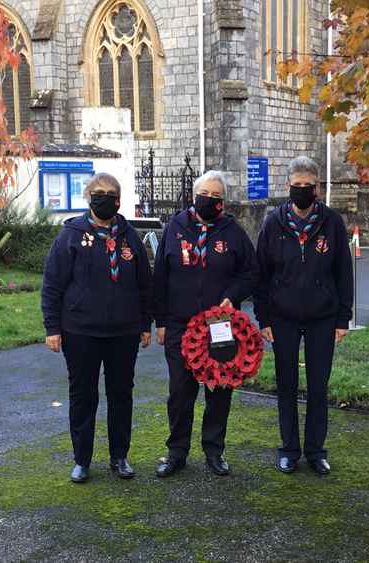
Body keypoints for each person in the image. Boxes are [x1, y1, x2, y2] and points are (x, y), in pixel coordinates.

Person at [41, 173, 152, 483]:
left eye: (110, 193)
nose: (104, 197)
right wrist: (53, 327)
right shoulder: (71, 235)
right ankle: (82, 460)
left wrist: (145, 324)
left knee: (121, 396)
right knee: (83, 396)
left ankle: (120, 456)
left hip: (123, 333)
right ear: (88, 196)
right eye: (98, 192)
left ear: (118, 199)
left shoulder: (130, 237)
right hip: (80, 332)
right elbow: (52, 284)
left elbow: (145, 285)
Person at [153, 170, 256, 478]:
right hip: (180, 325)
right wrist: (160, 321)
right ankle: (176, 452)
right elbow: (161, 277)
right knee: (180, 391)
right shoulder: (175, 227)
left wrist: (232, 295)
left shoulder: (233, 232)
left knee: (219, 389)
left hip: (220, 326)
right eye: (205, 195)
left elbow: (251, 273)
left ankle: (214, 450)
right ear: (193, 196)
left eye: (217, 197)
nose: (210, 201)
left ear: (223, 202)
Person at [254, 156, 353, 476]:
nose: (301, 191)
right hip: (282, 317)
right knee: (286, 384)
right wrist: (264, 318)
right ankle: (288, 450)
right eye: (296, 186)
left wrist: (342, 318)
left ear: (317, 188)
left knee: (318, 387)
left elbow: (343, 273)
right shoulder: (273, 223)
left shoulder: (332, 223)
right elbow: (262, 274)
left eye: (307, 187)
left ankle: (315, 451)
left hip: (322, 318)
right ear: (288, 187)